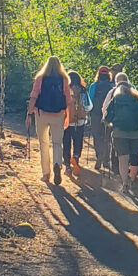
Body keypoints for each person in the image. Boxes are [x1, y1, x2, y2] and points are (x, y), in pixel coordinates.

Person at [102, 74, 138, 193]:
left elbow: (107, 116)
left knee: (122, 159)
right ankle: (132, 180)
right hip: (137, 134)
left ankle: (124, 184)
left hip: (119, 134)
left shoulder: (115, 99)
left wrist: (109, 124)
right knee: (134, 157)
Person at [26, 55, 70, 185]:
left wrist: (29, 113)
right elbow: (68, 99)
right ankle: (57, 164)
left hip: (42, 114)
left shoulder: (40, 78)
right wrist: (68, 115)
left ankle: (46, 173)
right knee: (57, 143)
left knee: (43, 143)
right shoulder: (64, 79)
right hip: (59, 114)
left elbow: (34, 96)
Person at [64, 70, 92, 176]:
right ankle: (75, 157)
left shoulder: (64, 90)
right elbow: (88, 106)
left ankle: (67, 166)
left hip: (66, 121)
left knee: (66, 143)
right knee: (78, 142)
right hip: (79, 121)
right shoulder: (83, 91)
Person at [88, 66, 114, 170]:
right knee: (107, 137)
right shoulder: (112, 86)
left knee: (96, 135)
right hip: (108, 115)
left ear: (98, 75)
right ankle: (106, 160)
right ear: (108, 75)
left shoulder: (93, 86)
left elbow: (89, 101)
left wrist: (88, 113)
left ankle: (99, 155)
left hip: (95, 114)